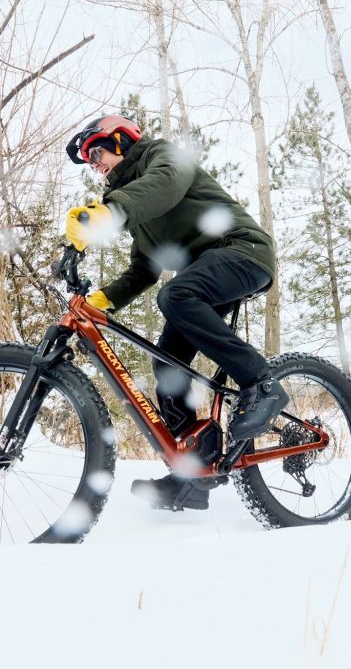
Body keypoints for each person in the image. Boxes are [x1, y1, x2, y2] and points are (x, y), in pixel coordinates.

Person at [63, 114, 289, 511]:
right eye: (88, 160)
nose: (93, 164)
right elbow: (143, 269)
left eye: (95, 152)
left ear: (121, 140)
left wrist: (111, 211)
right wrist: (104, 299)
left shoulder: (160, 157)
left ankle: (262, 383)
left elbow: (164, 184)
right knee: (167, 364)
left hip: (243, 251)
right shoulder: (139, 205)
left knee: (176, 295)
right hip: (207, 273)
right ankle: (193, 473)